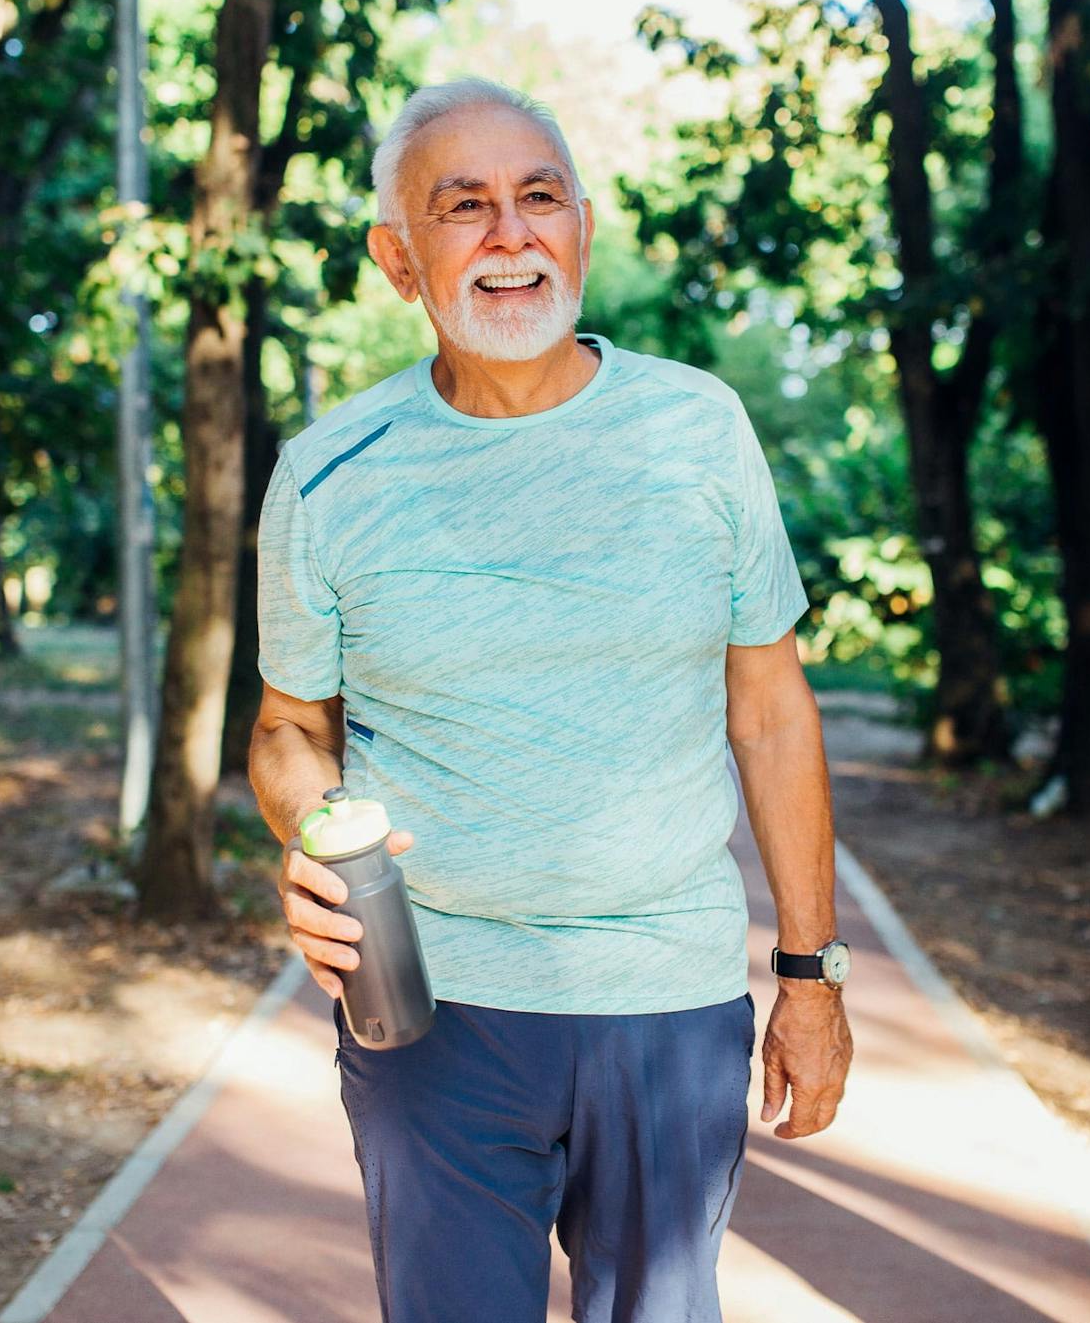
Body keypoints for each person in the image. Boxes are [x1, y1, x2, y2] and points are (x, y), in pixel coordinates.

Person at [247, 76, 854, 1323]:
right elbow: (288, 728)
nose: (509, 235)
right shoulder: (326, 476)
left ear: (581, 226)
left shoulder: (699, 428)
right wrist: (313, 834)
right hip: (429, 1006)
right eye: (461, 206)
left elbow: (772, 712)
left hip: (666, 1001)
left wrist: (810, 975)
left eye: (538, 199)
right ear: (398, 258)